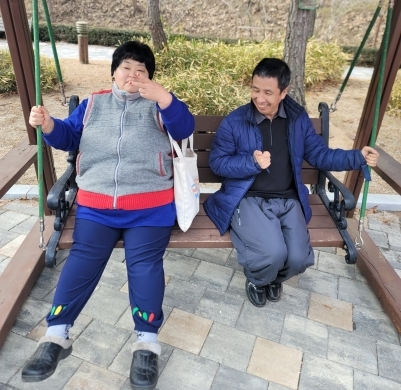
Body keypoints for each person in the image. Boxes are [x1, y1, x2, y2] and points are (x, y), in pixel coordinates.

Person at [21, 41, 195, 389]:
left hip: (149, 207)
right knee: (83, 258)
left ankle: (146, 344)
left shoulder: (160, 106)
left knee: (144, 266)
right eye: (126, 67)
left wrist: (164, 98)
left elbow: (185, 129)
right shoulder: (93, 104)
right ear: (114, 72)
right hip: (97, 205)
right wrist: (50, 125)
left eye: (141, 70)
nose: (133, 74)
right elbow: (68, 138)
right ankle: (56, 335)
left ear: (150, 78)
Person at [204, 58, 379, 308]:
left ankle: (274, 277)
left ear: (283, 92)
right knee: (271, 253)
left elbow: (320, 155)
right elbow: (218, 163)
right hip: (249, 198)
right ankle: (258, 280)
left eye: (268, 92)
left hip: (288, 199)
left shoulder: (297, 120)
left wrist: (358, 157)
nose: (259, 98)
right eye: (255, 89)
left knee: (299, 259)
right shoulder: (236, 121)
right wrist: (251, 162)